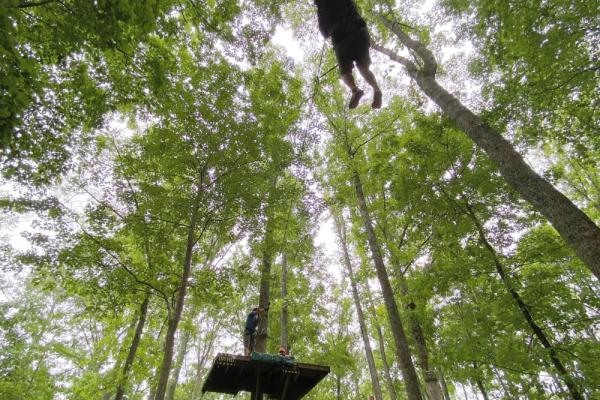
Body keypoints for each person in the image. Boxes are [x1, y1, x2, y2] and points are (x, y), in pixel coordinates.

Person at [315, 0, 382, 109]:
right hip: (358, 28)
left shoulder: (321, 8)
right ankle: (377, 90)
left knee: (345, 71)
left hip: (340, 36)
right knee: (362, 66)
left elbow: (324, 31)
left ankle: (355, 90)